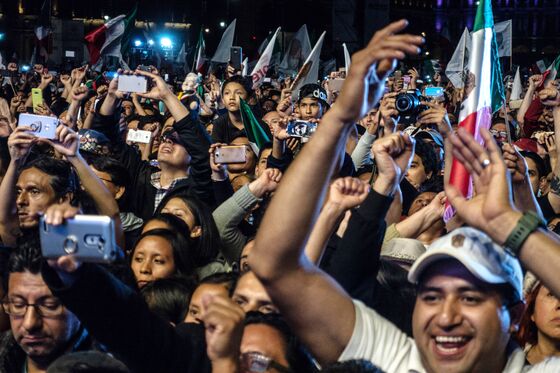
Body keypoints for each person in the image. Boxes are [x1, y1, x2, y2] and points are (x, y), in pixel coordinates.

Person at [0, 243, 93, 373]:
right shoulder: (4, 353)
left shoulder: (112, 364)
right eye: (18, 305)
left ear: (81, 304)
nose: (29, 323)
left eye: (49, 306)